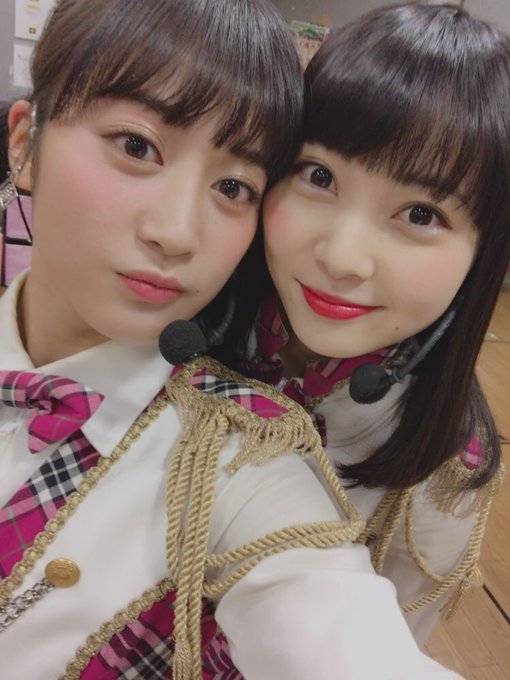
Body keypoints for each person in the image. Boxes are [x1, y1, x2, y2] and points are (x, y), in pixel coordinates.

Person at [0, 1, 467, 679]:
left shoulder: (238, 456)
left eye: (232, 186)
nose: (177, 233)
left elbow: (337, 630)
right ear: (24, 142)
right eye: (136, 146)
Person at [208, 1, 509, 670]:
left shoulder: (443, 474)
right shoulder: (199, 315)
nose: (343, 257)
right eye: (319, 176)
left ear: (485, 254)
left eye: (421, 214)